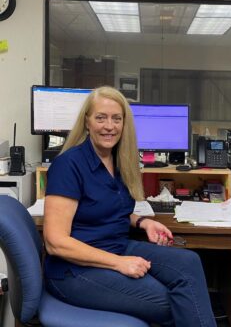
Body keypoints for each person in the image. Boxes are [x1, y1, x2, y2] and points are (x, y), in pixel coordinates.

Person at [43, 85, 217, 327]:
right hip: (74, 271)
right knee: (176, 302)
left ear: (124, 123)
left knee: (190, 263)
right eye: (101, 118)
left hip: (116, 246)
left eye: (117, 118)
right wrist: (119, 263)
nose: (109, 126)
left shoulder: (117, 160)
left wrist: (142, 221)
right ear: (87, 121)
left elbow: (106, 209)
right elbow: (55, 242)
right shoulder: (68, 165)